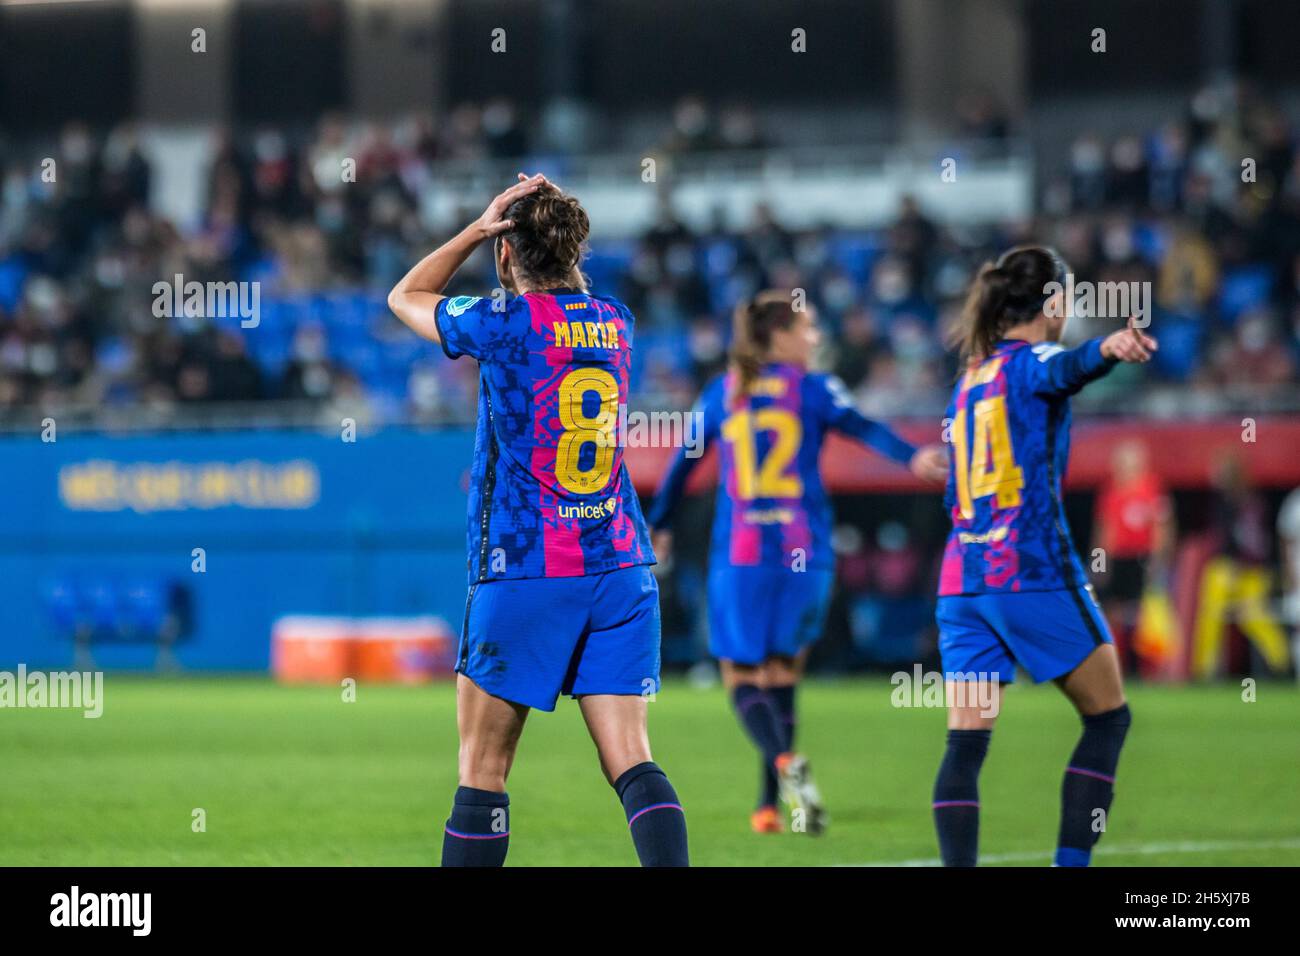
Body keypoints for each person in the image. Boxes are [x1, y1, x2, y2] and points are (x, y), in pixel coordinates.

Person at [388, 173, 688, 867]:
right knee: (633, 762)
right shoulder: (617, 321)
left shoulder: (503, 323)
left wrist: (474, 226)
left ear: (504, 255)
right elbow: (568, 299)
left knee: (483, 770)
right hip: (619, 566)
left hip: (526, 568)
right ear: (575, 250)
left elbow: (405, 295)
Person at [648, 290, 946, 835]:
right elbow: (863, 427)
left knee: (740, 673)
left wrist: (661, 522)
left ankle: (783, 765)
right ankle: (774, 804)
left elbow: (682, 462)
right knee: (784, 673)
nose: (816, 338)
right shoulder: (815, 389)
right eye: (807, 328)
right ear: (778, 336)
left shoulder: (725, 393)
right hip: (804, 553)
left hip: (741, 555)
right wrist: (912, 456)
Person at [933, 246, 1158, 867]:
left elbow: (955, 486)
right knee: (1108, 720)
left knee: (965, 746)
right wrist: (1107, 350)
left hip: (963, 578)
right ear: (1053, 302)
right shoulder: (1031, 362)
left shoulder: (971, 375)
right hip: (1029, 571)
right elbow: (1065, 370)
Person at [1191, 456, 1290, 678]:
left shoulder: (1246, 503)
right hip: (1236, 566)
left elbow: (1252, 540)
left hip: (1246, 569)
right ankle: (1206, 669)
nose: (1214, 476)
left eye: (1219, 471)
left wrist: (1239, 564)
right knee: (1213, 614)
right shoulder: (1227, 500)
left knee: (1253, 614)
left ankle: (1282, 664)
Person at [1092, 439, 1175, 673]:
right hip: (1118, 558)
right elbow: (1104, 530)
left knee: (1143, 614)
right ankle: (1117, 665)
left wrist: (1158, 560)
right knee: (1114, 612)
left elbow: (1162, 528)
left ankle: (1144, 668)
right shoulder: (1110, 490)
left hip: (1142, 558)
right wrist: (1100, 563)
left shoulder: (1152, 488)